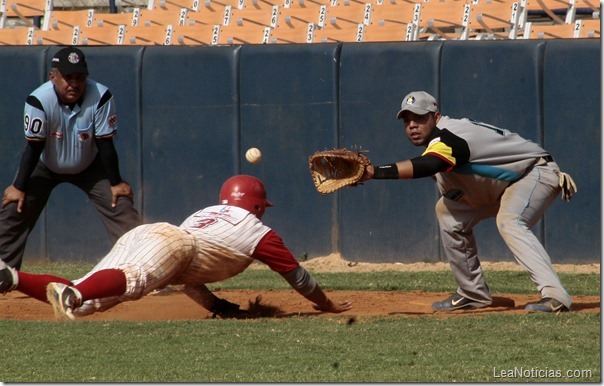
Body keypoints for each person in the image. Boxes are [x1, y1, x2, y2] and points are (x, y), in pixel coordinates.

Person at [0, 175, 352, 320]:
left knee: (85, 301)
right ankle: (74, 292)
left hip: (152, 234)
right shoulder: (259, 231)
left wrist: (219, 307)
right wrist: (327, 304)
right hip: (174, 244)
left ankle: (13, 278)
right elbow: (299, 277)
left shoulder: (207, 213)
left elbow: (186, 273)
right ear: (259, 206)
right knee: (127, 280)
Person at [362, 91, 576, 313]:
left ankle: (555, 296)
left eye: (420, 118)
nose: (412, 125)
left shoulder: (449, 136)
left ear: (436, 117)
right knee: (447, 212)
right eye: (407, 120)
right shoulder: (438, 140)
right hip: (500, 184)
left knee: (510, 221)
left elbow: (430, 164)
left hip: (534, 172)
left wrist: (374, 172)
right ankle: (472, 293)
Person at [0, 46, 141, 270]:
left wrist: (116, 183)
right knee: (14, 207)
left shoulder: (101, 96)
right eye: (67, 77)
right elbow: (33, 148)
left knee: (121, 206)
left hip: (90, 165)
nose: (74, 84)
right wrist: (19, 186)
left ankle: (144, 267)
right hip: (45, 164)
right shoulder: (38, 100)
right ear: (53, 77)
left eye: (80, 77)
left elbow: (106, 145)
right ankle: (2, 272)